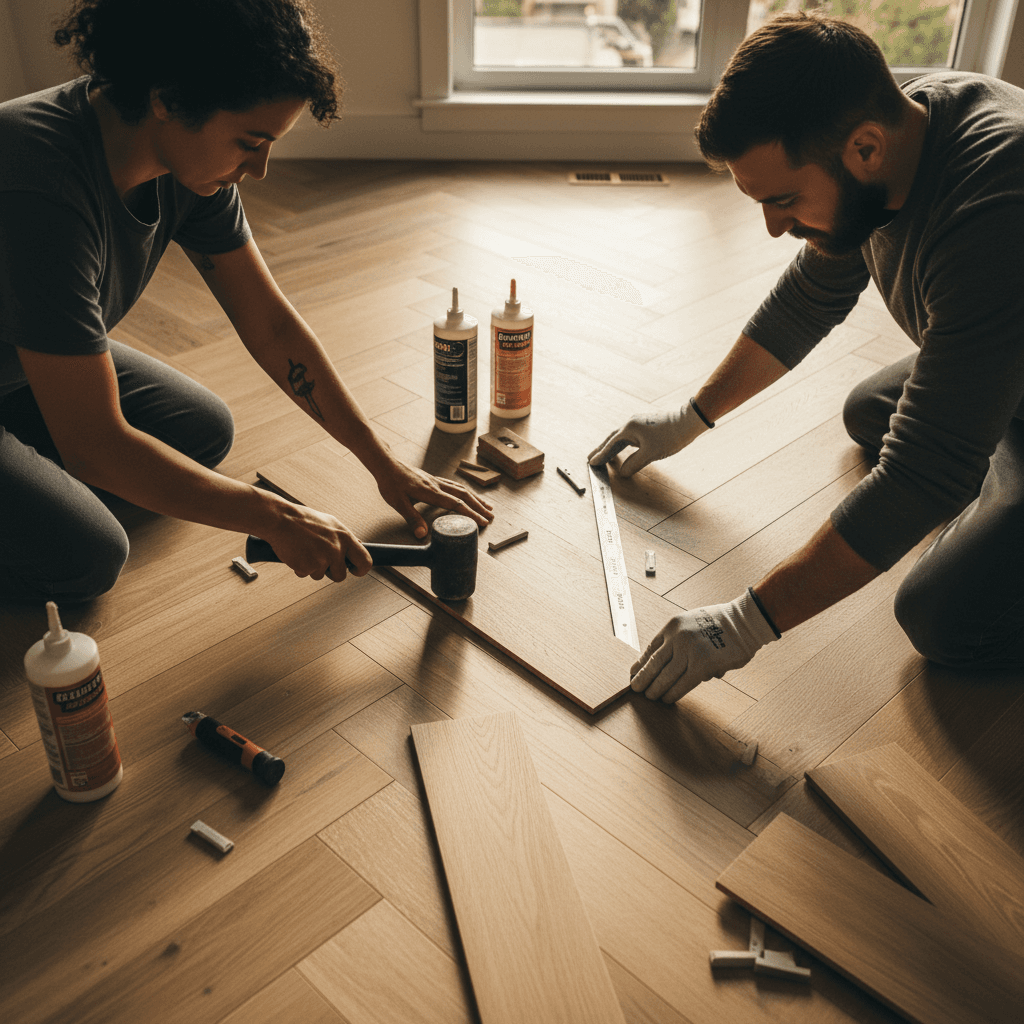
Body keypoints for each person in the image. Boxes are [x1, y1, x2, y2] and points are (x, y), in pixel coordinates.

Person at [590, 12, 1024, 702]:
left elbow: (921, 475)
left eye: (785, 200)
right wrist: (689, 417)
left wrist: (743, 623)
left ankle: (986, 452)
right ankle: (983, 445)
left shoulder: (997, 213)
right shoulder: (896, 127)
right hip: (1006, 360)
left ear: (865, 150)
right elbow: (807, 302)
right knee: (868, 412)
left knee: (941, 618)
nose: (773, 227)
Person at [0, 0, 493, 604]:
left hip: (19, 366)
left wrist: (384, 463)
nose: (259, 170)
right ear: (168, 99)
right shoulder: (37, 185)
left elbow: (271, 327)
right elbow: (95, 446)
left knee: (202, 429)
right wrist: (275, 516)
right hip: (20, 367)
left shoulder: (184, 160)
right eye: (250, 142)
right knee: (88, 558)